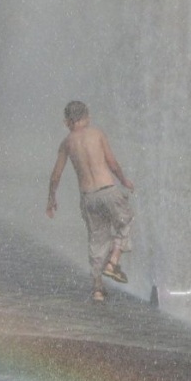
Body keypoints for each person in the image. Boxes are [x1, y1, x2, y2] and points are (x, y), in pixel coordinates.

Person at [46, 101, 135, 303]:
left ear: (67, 122)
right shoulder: (97, 134)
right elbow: (112, 163)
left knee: (97, 239)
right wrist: (123, 180)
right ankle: (113, 262)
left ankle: (97, 289)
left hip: (88, 197)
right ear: (87, 117)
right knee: (125, 221)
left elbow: (55, 176)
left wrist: (51, 198)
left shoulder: (67, 143)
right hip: (108, 190)